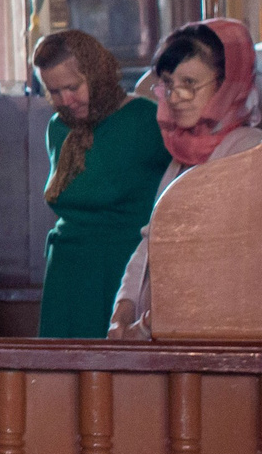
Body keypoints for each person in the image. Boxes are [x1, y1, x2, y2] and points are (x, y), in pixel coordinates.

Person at [111, 19, 262, 336]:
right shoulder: (184, 151)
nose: (175, 96)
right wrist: (122, 312)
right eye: (168, 84)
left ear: (228, 84)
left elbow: (220, 263)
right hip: (156, 332)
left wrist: (144, 328)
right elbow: (151, 240)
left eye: (189, 83)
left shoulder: (248, 151)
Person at [33, 27, 172, 338]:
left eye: (72, 87)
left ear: (95, 75)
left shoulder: (145, 120)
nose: (65, 100)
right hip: (66, 274)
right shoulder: (58, 128)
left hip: (119, 272)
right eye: (54, 92)